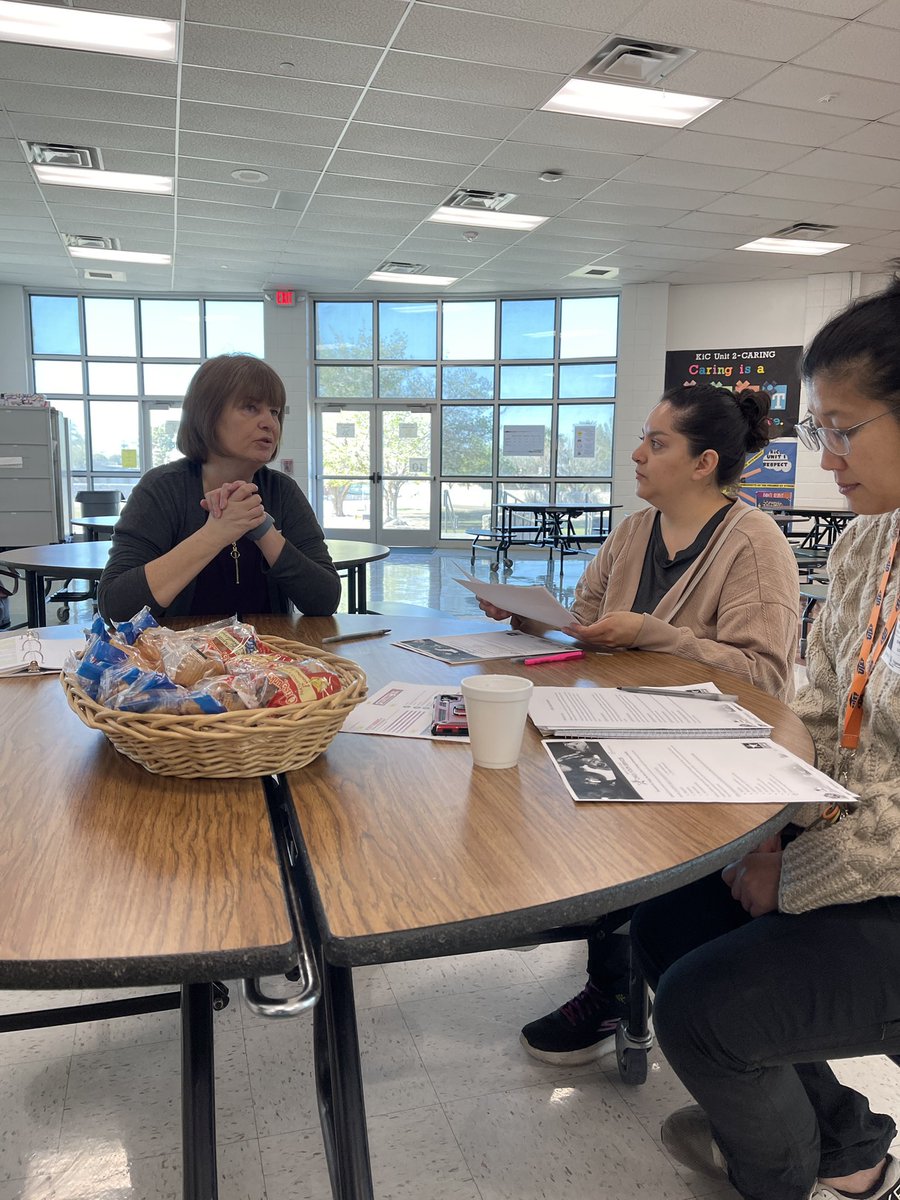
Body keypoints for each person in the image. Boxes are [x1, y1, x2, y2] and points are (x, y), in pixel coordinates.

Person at [634, 271, 900, 1200]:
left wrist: (791, 863)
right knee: (667, 913)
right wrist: (776, 834)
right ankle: (850, 1152)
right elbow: (824, 708)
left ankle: (779, 1176)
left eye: (841, 426)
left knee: (708, 1009)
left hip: (890, 881)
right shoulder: (872, 538)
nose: (825, 454)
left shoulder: (760, 540)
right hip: (845, 843)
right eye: (816, 428)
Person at [480, 382, 801, 1065]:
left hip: (701, 755)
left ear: (703, 462)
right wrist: (529, 615)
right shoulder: (633, 532)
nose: (636, 455)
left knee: (627, 851)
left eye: (656, 444)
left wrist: (656, 634)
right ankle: (606, 966)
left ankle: (613, 989)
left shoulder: (753, 543)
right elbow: (586, 620)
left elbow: (766, 677)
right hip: (619, 725)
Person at [98, 354, 340, 622]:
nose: (270, 423)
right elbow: (116, 609)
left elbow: (324, 599)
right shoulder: (163, 489)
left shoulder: (281, 491)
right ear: (208, 414)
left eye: (274, 411)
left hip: (266, 658)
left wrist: (262, 528)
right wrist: (215, 534)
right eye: (250, 407)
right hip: (179, 658)